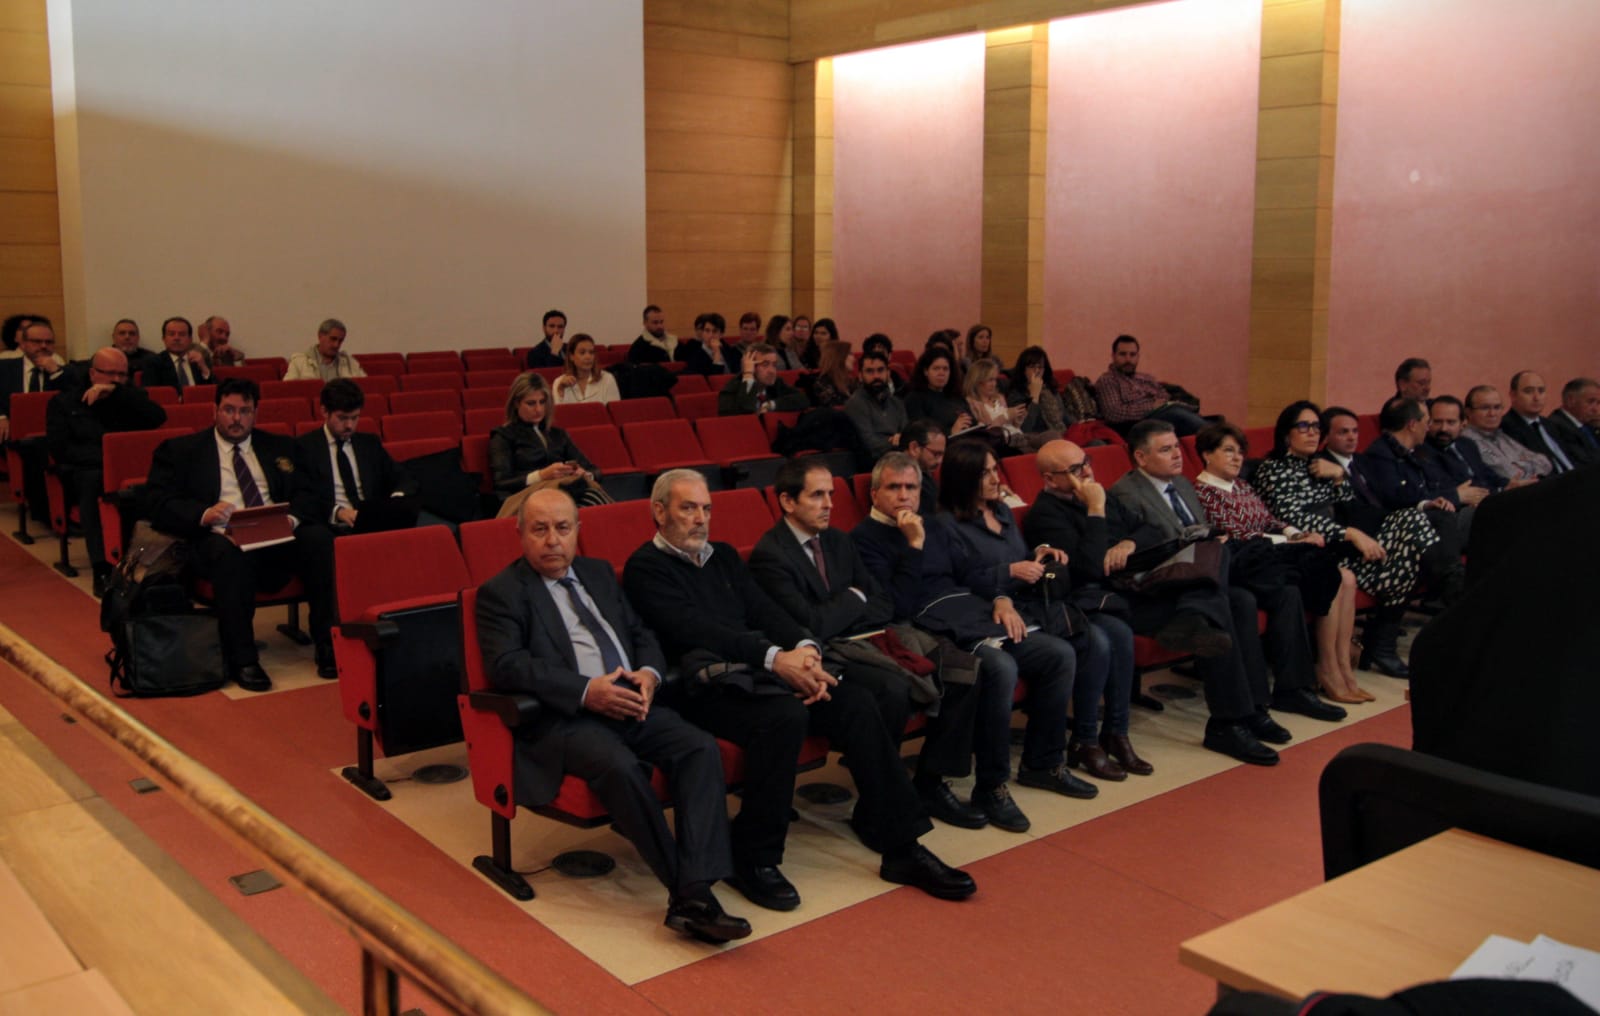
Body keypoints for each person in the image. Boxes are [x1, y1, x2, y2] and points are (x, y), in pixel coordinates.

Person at [624, 469, 976, 910]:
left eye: (706, 508)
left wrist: (805, 649)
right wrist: (777, 658)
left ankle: (902, 848)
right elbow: (697, 630)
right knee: (785, 717)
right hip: (703, 686)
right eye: (688, 508)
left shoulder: (724, 557)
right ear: (659, 512)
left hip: (757, 670)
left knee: (854, 702)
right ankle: (754, 857)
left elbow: (763, 610)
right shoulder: (645, 567)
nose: (700, 518)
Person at [476, 488, 751, 943]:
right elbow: (506, 664)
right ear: (520, 532)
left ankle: (695, 886)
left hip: (630, 700)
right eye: (539, 529)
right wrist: (586, 692)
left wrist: (648, 673)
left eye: (563, 528)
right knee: (619, 766)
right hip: (565, 717)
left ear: (578, 532)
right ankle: (689, 895)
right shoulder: (502, 592)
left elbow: (639, 631)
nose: (552, 541)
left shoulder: (599, 573)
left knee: (698, 748)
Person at [1025, 439, 1303, 763]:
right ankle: (1227, 723)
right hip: (1109, 599)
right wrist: (1096, 510)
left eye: (1085, 461)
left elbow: (1150, 530)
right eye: (1074, 469)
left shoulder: (1093, 492)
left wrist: (1128, 541)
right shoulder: (1047, 514)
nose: (1087, 470)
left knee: (1231, 584)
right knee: (1221, 609)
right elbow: (1088, 571)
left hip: (1141, 580)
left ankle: (1252, 708)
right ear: (1049, 479)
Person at [852, 450, 1083, 832]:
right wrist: (912, 545)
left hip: (968, 609)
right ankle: (991, 785)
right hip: (917, 623)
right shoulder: (865, 539)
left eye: (911, 487)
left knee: (1058, 654)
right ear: (875, 494)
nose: (905, 496)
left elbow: (968, 574)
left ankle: (1044, 762)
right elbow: (897, 606)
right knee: (998, 667)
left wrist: (1000, 598)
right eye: (894, 488)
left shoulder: (933, 525)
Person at [749, 458, 985, 829]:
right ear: (788, 502)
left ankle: (930, 782)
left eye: (831, 494)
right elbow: (812, 625)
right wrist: (854, 599)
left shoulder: (838, 540)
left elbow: (884, 604)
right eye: (817, 495)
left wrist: (850, 604)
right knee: (890, 688)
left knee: (963, 669)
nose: (829, 504)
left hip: (870, 637)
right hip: (826, 653)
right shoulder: (771, 554)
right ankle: (879, 800)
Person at [1110, 422, 1345, 727]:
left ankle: (1285, 693)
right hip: (1168, 580)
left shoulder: (1180, 484)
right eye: (1165, 450)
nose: (1177, 455)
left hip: (1207, 568)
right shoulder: (1126, 492)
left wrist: (1214, 538)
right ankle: (1242, 713)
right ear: (1141, 458)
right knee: (1239, 600)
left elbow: (1203, 532)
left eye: (1177, 448)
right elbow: (1161, 542)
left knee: (1282, 592)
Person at [938, 440, 1137, 785]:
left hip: (1027, 603)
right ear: (963, 478)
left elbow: (1016, 554)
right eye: (984, 473)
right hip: (987, 615)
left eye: (994, 470)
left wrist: (1038, 552)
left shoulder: (1000, 512)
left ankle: (1081, 743)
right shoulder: (947, 525)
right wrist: (1008, 575)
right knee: (1060, 653)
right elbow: (956, 580)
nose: (995, 479)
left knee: (1094, 639)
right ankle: (1040, 763)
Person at [144, 377, 336, 690]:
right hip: (217, 537)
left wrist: (290, 519)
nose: (236, 419)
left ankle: (327, 643)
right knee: (227, 554)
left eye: (244, 411)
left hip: (274, 533)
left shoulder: (280, 446)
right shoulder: (183, 451)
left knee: (319, 540)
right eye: (229, 410)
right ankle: (243, 657)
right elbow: (156, 502)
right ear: (215, 410)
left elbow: (309, 492)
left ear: (255, 412)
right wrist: (204, 514)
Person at [1252, 401, 1440, 678]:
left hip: (1345, 546)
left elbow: (1350, 509)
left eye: (1317, 427)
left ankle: (1386, 637)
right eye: (1303, 426)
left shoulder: (1319, 466)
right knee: (1408, 556)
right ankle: (1389, 635)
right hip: (1315, 549)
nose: (1312, 432)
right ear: (1285, 434)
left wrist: (1339, 477)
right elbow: (1293, 519)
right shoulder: (1273, 469)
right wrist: (1350, 534)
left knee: (1412, 520)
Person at [1192, 423, 1370, 704]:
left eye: (1240, 452)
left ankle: (1311, 680)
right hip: (1244, 564)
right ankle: (1325, 671)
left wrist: (1295, 533)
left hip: (1270, 557)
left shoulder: (1241, 485)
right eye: (1228, 451)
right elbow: (1237, 536)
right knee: (1322, 574)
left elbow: (1269, 520)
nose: (1237, 458)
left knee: (1320, 581)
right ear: (1206, 454)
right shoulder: (1202, 492)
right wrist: (1288, 543)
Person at [45, 346, 168, 595]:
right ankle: (102, 566)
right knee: (94, 483)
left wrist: (119, 393)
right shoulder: (64, 402)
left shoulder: (129, 397)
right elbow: (61, 449)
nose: (116, 380)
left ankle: (157, 562)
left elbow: (158, 417)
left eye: (122, 375)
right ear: (92, 373)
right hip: (86, 470)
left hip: (128, 470)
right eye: (110, 374)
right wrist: (107, 458)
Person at [295, 379, 419, 538]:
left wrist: (396, 500)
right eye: (342, 418)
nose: (349, 425)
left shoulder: (369, 443)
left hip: (372, 521)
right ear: (325, 412)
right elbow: (301, 497)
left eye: (355, 418)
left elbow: (402, 476)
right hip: (331, 525)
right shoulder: (305, 447)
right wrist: (338, 512)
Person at [489, 372, 606, 510]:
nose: (538, 409)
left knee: (588, 496)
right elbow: (501, 482)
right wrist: (541, 475)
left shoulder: (558, 434)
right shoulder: (503, 436)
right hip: (528, 498)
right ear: (516, 403)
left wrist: (586, 474)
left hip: (564, 492)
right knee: (588, 499)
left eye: (542, 402)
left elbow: (594, 470)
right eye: (531, 403)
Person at [1093, 334, 1207, 435]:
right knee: (1177, 415)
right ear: (1113, 356)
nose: (1128, 359)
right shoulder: (1108, 380)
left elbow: (1164, 395)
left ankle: (1213, 433)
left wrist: (1162, 404)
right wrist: (1151, 407)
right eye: (1122, 354)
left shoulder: (1146, 378)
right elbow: (1113, 413)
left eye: (1132, 355)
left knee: (1187, 412)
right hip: (1136, 425)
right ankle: (1215, 436)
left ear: (1138, 357)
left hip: (1165, 414)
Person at [1458, 384, 1550, 485]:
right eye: (1485, 408)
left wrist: (1519, 466)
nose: (1492, 413)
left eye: (1497, 407)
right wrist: (1526, 464)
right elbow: (1510, 474)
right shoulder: (1467, 441)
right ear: (1468, 412)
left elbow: (1545, 463)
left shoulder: (1500, 435)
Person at [1418, 395, 1503, 497]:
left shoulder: (1467, 444)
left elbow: (1486, 474)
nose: (1443, 428)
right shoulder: (1422, 451)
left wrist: (1509, 484)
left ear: (1463, 424)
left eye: (1451, 422)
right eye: (1437, 422)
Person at [1, 317, 68, 443]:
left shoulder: (63, 372)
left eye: (48, 342)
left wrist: (55, 372)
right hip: (12, 434)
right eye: (37, 342)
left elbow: (70, 399)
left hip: (51, 435)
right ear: (24, 344)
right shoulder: (4, 367)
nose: (43, 346)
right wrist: (1, 417)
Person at [1499, 371, 1577, 474]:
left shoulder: (1550, 425)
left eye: (1541, 391)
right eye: (1528, 391)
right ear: (1513, 395)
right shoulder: (1506, 427)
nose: (1536, 397)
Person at [842, 349, 907, 464]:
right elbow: (870, 445)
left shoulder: (897, 402)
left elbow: (907, 436)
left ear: (888, 373)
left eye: (880, 370)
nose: (876, 376)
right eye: (869, 371)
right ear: (860, 376)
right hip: (874, 465)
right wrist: (893, 442)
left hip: (900, 460)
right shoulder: (855, 404)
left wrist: (897, 440)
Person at [717, 343, 809, 416]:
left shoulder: (776, 383)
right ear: (750, 366)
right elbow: (746, 413)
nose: (772, 371)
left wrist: (770, 405)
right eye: (765, 365)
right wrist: (748, 374)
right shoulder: (730, 390)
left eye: (774, 365)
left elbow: (803, 399)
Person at [963, 357, 1033, 452]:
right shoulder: (974, 403)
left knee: (1051, 436)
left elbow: (1013, 426)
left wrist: (1018, 419)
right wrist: (1006, 416)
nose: (994, 384)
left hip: (1018, 435)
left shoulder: (999, 398)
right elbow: (988, 430)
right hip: (1004, 442)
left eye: (995, 380)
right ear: (977, 381)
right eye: (990, 380)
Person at [904, 347, 972, 436]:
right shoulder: (915, 398)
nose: (941, 373)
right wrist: (952, 432)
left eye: (945, 369)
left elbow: (972, 420)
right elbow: (920, 434)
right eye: (936, 368)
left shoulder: (956, 396)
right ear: (925, 371)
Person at [1011, 346, 1068, 444]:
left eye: (1040, 367)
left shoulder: (1049, 388)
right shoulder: (1016, 394)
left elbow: (1063, 415)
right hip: (1035, 439)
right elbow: (1025, 428)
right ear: (1023, 370)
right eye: (1032, 367)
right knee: (1053, 437)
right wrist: (1035, 396)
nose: (1037, 371)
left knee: (1096, 442)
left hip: (1059, 435)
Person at [140, 316, 214, 389]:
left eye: (182, 334)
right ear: (164, 339)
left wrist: (205, 369)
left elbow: (218, 392)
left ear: (190, 339)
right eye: (171, 334)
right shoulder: (154, 362)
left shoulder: (198, 360)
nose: (177, 338)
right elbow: (151, 393)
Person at [1543, 376, 1600, 468]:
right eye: (1591, 402)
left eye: (1598, 403)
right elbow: (1588, 464)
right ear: (1570, 400)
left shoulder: (1590, 425)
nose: (1596, 409)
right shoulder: (1556, 426)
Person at [284, 319, 366, 381]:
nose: (336, 345)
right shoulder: (299, 362)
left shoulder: (350, 363)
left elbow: (365, 387)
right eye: (333, 339)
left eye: (340, 341)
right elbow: (288, 389)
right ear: (320, 337)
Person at [552, 334, 621, 405]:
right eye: (582, 353)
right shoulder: (559, 383)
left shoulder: (607, 379)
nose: (588, 357)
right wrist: (561, 390)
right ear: (571, 356)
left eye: (591, 352)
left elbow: (615, 412)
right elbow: (558, 414)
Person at [899, 419, 946, 516]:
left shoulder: (923, 472)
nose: (940, 461)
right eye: (936, 454)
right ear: (914, 448)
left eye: (942, 455)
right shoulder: (899, 478)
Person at [808, 340, 855, 408]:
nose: (854, 358)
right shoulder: (822, 383)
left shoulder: (849, 381)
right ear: (838, 357)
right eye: (850, 354)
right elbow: (835, 409)